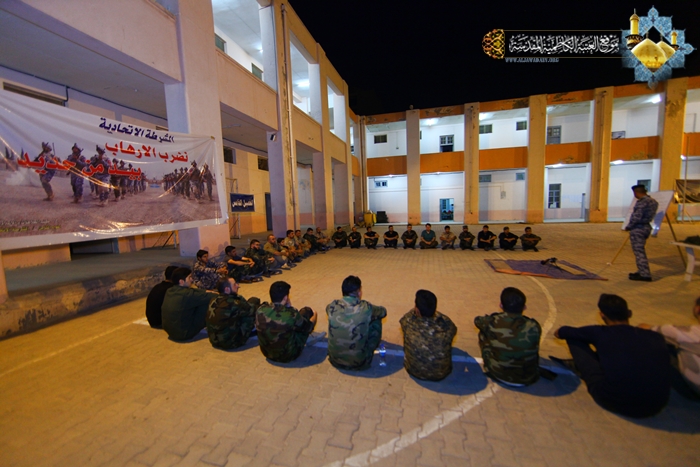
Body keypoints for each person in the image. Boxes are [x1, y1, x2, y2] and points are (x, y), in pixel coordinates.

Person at [553, 294, 671, 418]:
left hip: (614, 400)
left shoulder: (600, 332)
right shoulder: (654, 336)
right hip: (656, 405)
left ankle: (582, 367)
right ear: (629, 313)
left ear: (602, 315)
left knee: (574, 337)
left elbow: (560, 332)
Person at [475, 287, 541, 386]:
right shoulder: (534, 325)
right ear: (524, 307)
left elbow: (477, 320)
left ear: (501, 305)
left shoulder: (492, 321)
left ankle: (492, 362)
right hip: (528, 378)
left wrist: (495, 316)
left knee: (483, 333)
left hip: (498, 373)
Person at [639, 297, 700, 398]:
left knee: (656, 345)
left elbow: (643, 328)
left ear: (697, 309)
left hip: (694, 392)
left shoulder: (687, 333)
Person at [326, 275, 387, 370]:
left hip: (335, 361)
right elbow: (383, 312)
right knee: (376, 321)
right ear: (359, 292)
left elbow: (328, 310)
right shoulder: (366, 307)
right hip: (359, 363)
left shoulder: (332, 306)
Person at [255, 281, 321, 362]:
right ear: (286, 298)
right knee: (307, 311)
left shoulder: (260, 310)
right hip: (288, 355)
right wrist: (314, 315)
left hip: (267, 353)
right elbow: (308, 327)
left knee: (293, 322)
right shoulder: (292, 314)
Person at [400, 290, 457, 381]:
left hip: (414, 371)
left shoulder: (408, 321)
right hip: (441, 374)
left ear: (417, 310)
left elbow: (406, 317)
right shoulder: (446, 325)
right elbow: (453, 329)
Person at [161, 267, 218, 341]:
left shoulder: (170, 290)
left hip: (170, 332)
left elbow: (195, 291)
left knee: (199, 300)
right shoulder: (187, 294)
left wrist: (206, 291)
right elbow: (213, 296)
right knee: (207, 302)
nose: (192, 279)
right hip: (184, 334)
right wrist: (215, 293)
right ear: (181, 281)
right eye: (189, 277)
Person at [206, 278, 261, 350]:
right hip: (231, 343)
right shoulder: (234, 303)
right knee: (253, 306)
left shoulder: (213, 300)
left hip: (214, 341)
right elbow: (253, 310)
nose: (238, 286)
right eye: (234, 284)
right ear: (227, 289)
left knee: (243, 309)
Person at [626, 185, 658, 282]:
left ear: (636, 192)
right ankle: (641, 271)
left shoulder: (642, 202)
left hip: (638, 228)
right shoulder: (653, 201)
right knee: (640, 250)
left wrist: (629, 226)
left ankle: (645, 274)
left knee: (639, 252)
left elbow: (637, 217)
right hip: (646, 227)